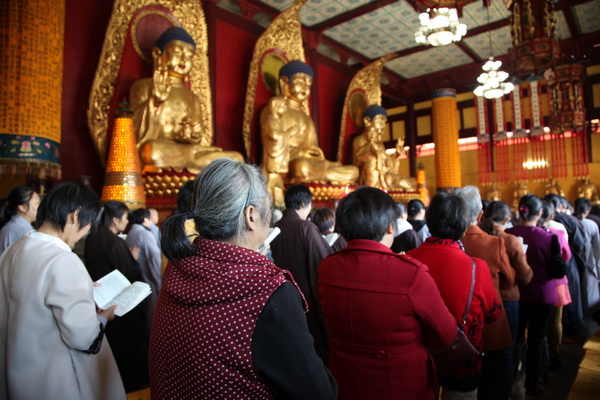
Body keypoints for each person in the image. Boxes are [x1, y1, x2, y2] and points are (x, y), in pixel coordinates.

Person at [150, 159, 337, 399]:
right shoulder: (268, 290)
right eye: (266, 208)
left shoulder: (178, 268)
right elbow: (319, 392)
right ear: (251, 215)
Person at [318, 187, 457, 399]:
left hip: (345, 382)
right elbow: (446, 336)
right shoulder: (411, 274)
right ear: (390, 228)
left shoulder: (327, 267)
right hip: (400, 386)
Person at [0, 182, 125, 399]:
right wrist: (103, 318)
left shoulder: (14, 249)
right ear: (75, 216)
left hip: (15, 368)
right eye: (88, 226)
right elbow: (83, 337)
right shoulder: (63, 259)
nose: (84, 234)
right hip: (52, 377)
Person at [408, 194, 501, 399]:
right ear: (464, 226)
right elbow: (493, 314)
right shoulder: (477, 267)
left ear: (429, 222)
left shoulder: (407, 260)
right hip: (462, 358)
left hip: (418, 358)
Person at [130, 26, 243, 172]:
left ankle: (195, 164)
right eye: (177, 52)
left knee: (237, 159)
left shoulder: (192, 97)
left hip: (188, 151)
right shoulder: (144, 86)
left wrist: (192, 136)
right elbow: (133, 133)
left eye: (189, 55)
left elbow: (201, 137)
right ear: (158, 54)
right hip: (161, 150)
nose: (184, 59)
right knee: (150, 151)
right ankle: (196, 166)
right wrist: (154, 102)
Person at [455, 186, 514, 400]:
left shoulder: (450, 242)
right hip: (491, 319)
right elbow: (509, 280)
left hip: (458, 325)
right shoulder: (494, 243)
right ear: (480, 214)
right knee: (497, 376)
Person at [84, 201, 150, 392]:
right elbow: (130, 272)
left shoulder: (93, 237)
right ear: (115, 219)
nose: (127, 221)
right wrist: (134, 259)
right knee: (129, 350)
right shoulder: (114, 242)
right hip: (121, 306)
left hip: (101, 301)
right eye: (125, 217)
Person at [260, 60, 358, 188]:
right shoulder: (272, 111)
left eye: (309, 84)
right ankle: (320, 179)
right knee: (300, 167)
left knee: (353, 171)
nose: (305, 87)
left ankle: (322, 178)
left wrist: (316, 153)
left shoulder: (307, 119)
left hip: (312, 165)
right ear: (284, 82)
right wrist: (301, 153)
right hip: (292, 165)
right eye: (300, 82)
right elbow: (273, 145)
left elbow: (313, 148)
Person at [271, 184, 333, 363]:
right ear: (302, 203)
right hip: (306, 298)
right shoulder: (305, 227)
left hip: (280, 296)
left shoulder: (277, 226)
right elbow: (324, 260)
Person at [479, 200, 533, 389]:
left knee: (485, 349)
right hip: (507, 300)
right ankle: (506, 389)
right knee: (506, 352)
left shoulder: (478, 238)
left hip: (482, 300)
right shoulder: (510, 241)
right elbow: (524, 277)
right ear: (508, 219)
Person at [506, 195, 557, 396]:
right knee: (537, 340)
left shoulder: (508, 234)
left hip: (516, 294)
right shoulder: (548, 236)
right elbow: (559, 269)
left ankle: (509, 379)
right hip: (542, 295)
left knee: (516, 340)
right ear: (541, 213)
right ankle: (532, 383)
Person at [537, 199, 571, 369]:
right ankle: (554, 355)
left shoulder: (526, 231)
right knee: (555, 320)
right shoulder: (556, 231)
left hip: (534, 282)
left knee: (536, 324)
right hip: (556, 282)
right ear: (550, 214)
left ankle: (540, 358)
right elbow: (566, 256)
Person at [126, 208, 162, 326]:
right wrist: (159, 283)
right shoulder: (144, 233)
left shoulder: (131, 232)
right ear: (146, 219)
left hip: (137, 278)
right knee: (151, 317)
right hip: (148, 279)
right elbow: (155, 257)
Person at [573, 198, 600, 319]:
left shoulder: (570, 222)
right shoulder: (591, 224)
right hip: (589, 263)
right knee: (589, 294)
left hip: (573, 263)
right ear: (588, 210)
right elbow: (597, 249)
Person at [352, 105, 389, 189]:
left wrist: (396, 155)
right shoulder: (359, 139)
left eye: (384, 122)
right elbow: (357, 160)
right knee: (372, 159)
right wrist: (371, 148)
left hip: (383, 174)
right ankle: (371, 190)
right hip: (367, 175)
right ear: (367, 121)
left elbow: (387, 163)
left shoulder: (380, 143)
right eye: (380, 120)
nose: (383, 125)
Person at [0, 186, 40, 254]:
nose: (40, 207)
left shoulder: (12, 226)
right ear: (23, 208)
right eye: (37, 203)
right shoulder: (25, 232)